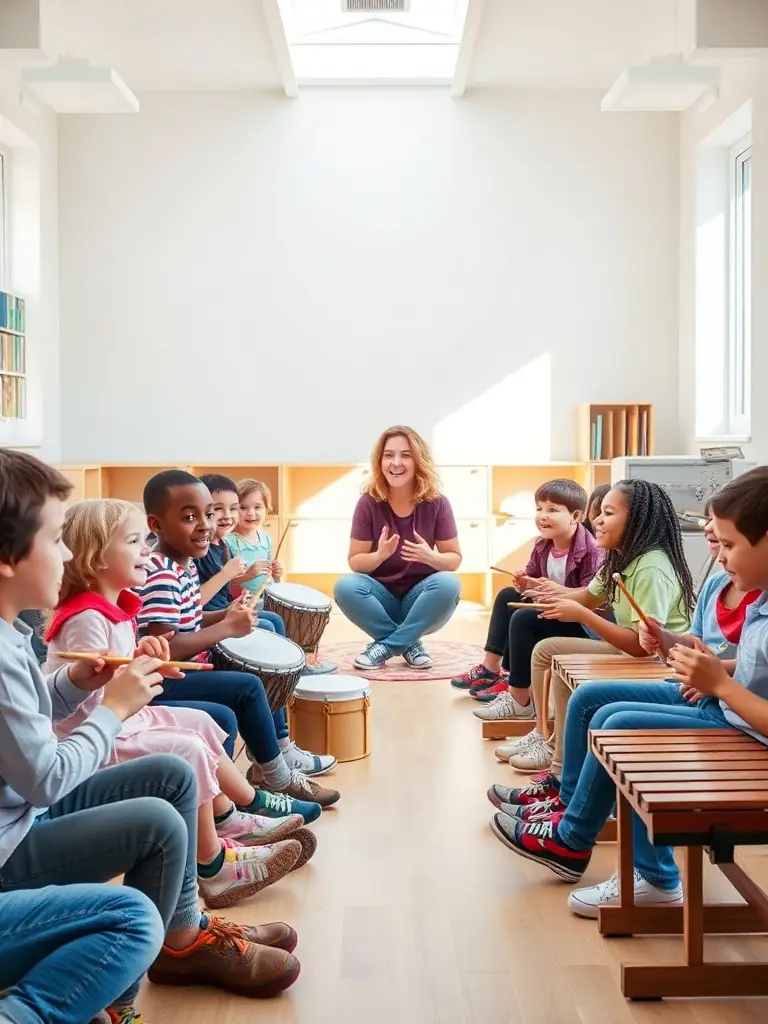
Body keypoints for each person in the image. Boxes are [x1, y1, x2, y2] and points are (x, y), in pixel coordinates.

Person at [0, 448, 302, 1020]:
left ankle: (183, 934)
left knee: (171, 776)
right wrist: (111, 710)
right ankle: (121, 993)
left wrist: (73, 682)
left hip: (21, 817)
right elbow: (44, 779)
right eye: (56, 539)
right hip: (14, 839)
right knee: (133, 915)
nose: (68, 555)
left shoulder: (10, 636)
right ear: (7, 559)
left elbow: (31, 722)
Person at [487, 465, 768, 918]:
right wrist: (706, 666)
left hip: (741, 723)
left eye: (729, 544)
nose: (719, 555)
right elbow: (748, 669)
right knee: (597, 707)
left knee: (622, 728)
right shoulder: (759, 597)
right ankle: (570, 823)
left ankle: (646, 874)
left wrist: (718, 683)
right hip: (722, 704)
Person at [45, 497, 316, 908]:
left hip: (125, 720)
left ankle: (230, 819)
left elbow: (113, 668)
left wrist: (145, 657)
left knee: (202, 724)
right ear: (97, 558)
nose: (146, 550)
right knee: (186, 748)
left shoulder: (113, 607)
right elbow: (92, 692)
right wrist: (134, 670)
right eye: (134, 542)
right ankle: (213, 865)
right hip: (98, 735)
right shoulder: (87, 618)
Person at [135, 469, 339, 811]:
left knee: (252, 674)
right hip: (163, 680)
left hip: (186, 668)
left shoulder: (182, 566)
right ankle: (274, 777)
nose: (205, 525)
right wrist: (226, 629)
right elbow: (162, 649)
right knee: (247, 686)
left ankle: (258, 774)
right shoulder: (162, 575)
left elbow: (188, 620)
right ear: (155, 525)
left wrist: (224, 616)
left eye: (208, 514)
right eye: (189, 517)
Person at [476, 481, 694, 780]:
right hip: (629, 650)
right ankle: (543, 734)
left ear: (636, 520)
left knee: (550, 651)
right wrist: (549, 592)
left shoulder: (650, 568)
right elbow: (588, 597)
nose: (598, 521)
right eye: (599, 513)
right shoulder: (621, 556)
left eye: (608, 513)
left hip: (657, 663)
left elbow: (642, 647)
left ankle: (557, 758)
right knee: (546, 650)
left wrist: (581, 615)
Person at [195, 473, 336, 775]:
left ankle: (278, 741)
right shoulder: (207, 549)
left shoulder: (220, 546)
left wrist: (237, 601)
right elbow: (196, 603)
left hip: (222, 614)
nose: (228, 516)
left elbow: (220, 596)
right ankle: (276, 746)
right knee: (269, 629)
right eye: (218, 509)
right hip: (211, 628)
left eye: (233, 508)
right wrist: (230, 578)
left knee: (273, 621)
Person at [451, 478, 602, 696]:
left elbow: (593, 598)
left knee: (523, 617)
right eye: (539, 509)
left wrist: (556, 593)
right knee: (507, 596)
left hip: (579, 623)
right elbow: (532, 578)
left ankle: (516, 681)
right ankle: (491, 667)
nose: (543, 516)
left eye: (552, 510)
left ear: (575, 516)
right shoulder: (542, 544)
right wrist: (524, 582)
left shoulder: (591, 551)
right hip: (552, 609)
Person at [334, 425, 462, 670]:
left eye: (405, 455)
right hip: (380, 602)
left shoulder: (437, 503)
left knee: (449, 583)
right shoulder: (368, 502)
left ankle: (386, 646)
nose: (395, 462)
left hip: (421, 602)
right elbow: (356, 562)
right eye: (388, 455)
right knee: (345, 586)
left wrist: (431, 557)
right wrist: (379, 555)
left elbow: (454, 559)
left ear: (418, 460)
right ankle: (409, 644)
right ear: (379, 461)